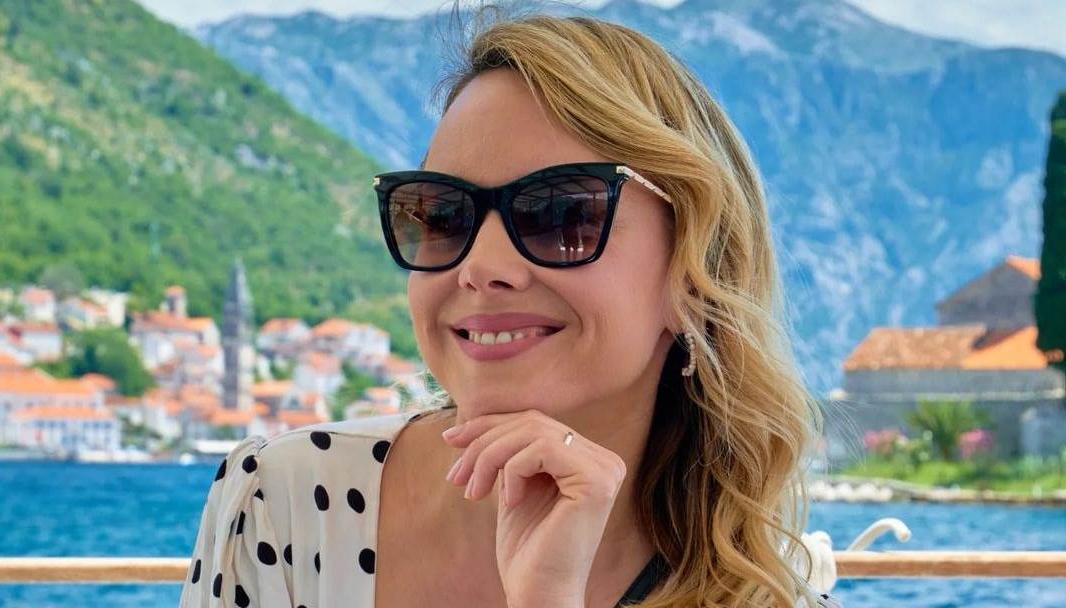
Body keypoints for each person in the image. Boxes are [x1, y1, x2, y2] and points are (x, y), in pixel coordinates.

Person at [179, 4, 842, 607]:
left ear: (692, 276)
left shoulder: (763, 600)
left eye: (561, 214)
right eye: (441, 215)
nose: (480, 267)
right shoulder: (281, 505)